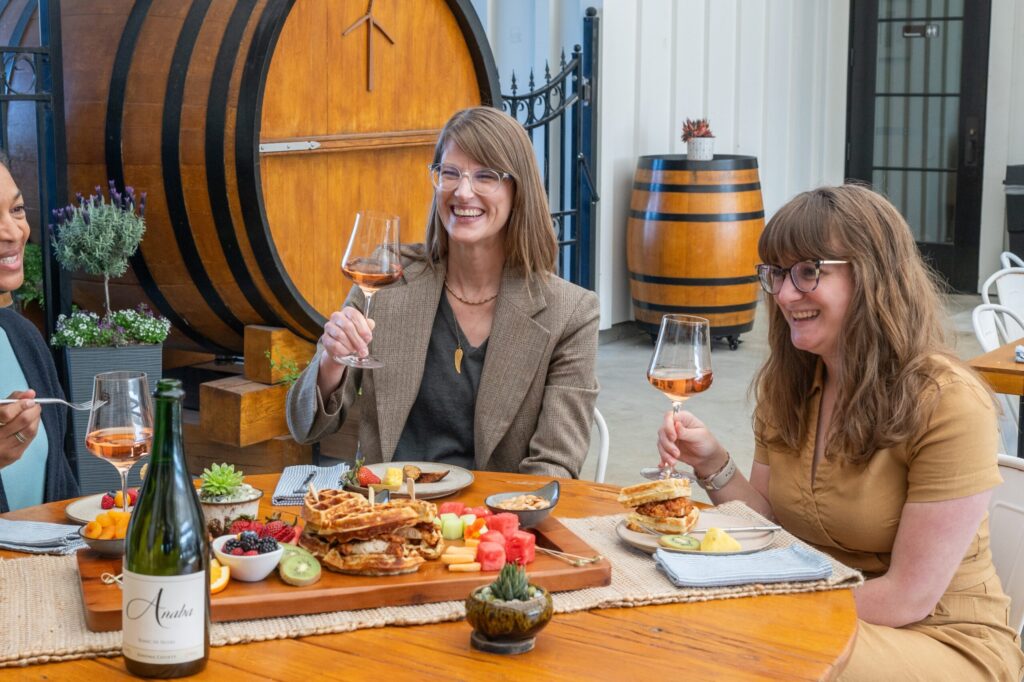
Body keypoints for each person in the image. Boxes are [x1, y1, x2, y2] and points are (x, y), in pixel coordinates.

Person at [656, 184, 1024, 680]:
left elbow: (908, 596)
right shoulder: (790, 384)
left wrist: (766, 609)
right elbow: (769, 530)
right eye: (777, 273)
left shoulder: (948, 401)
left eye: (809, 272)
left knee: (743, 653)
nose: (785, 294)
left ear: (873, 276)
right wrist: (713, 464)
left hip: (940, 637)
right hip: (819, 613)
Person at [287, 106, 599, 478]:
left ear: (519, 190)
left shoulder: (571, 313)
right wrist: (331, 363)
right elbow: (306, 427)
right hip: (389, 515)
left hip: (494, 521)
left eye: (486, 176)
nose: (463, 191)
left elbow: (554, 468)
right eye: (450, 173)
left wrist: (484, 530)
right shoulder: (385, 281)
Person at [0, 154, 78, 512]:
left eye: (16, 210)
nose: (14, 232)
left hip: (40, 568)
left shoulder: (23, 336)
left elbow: (62, 483)